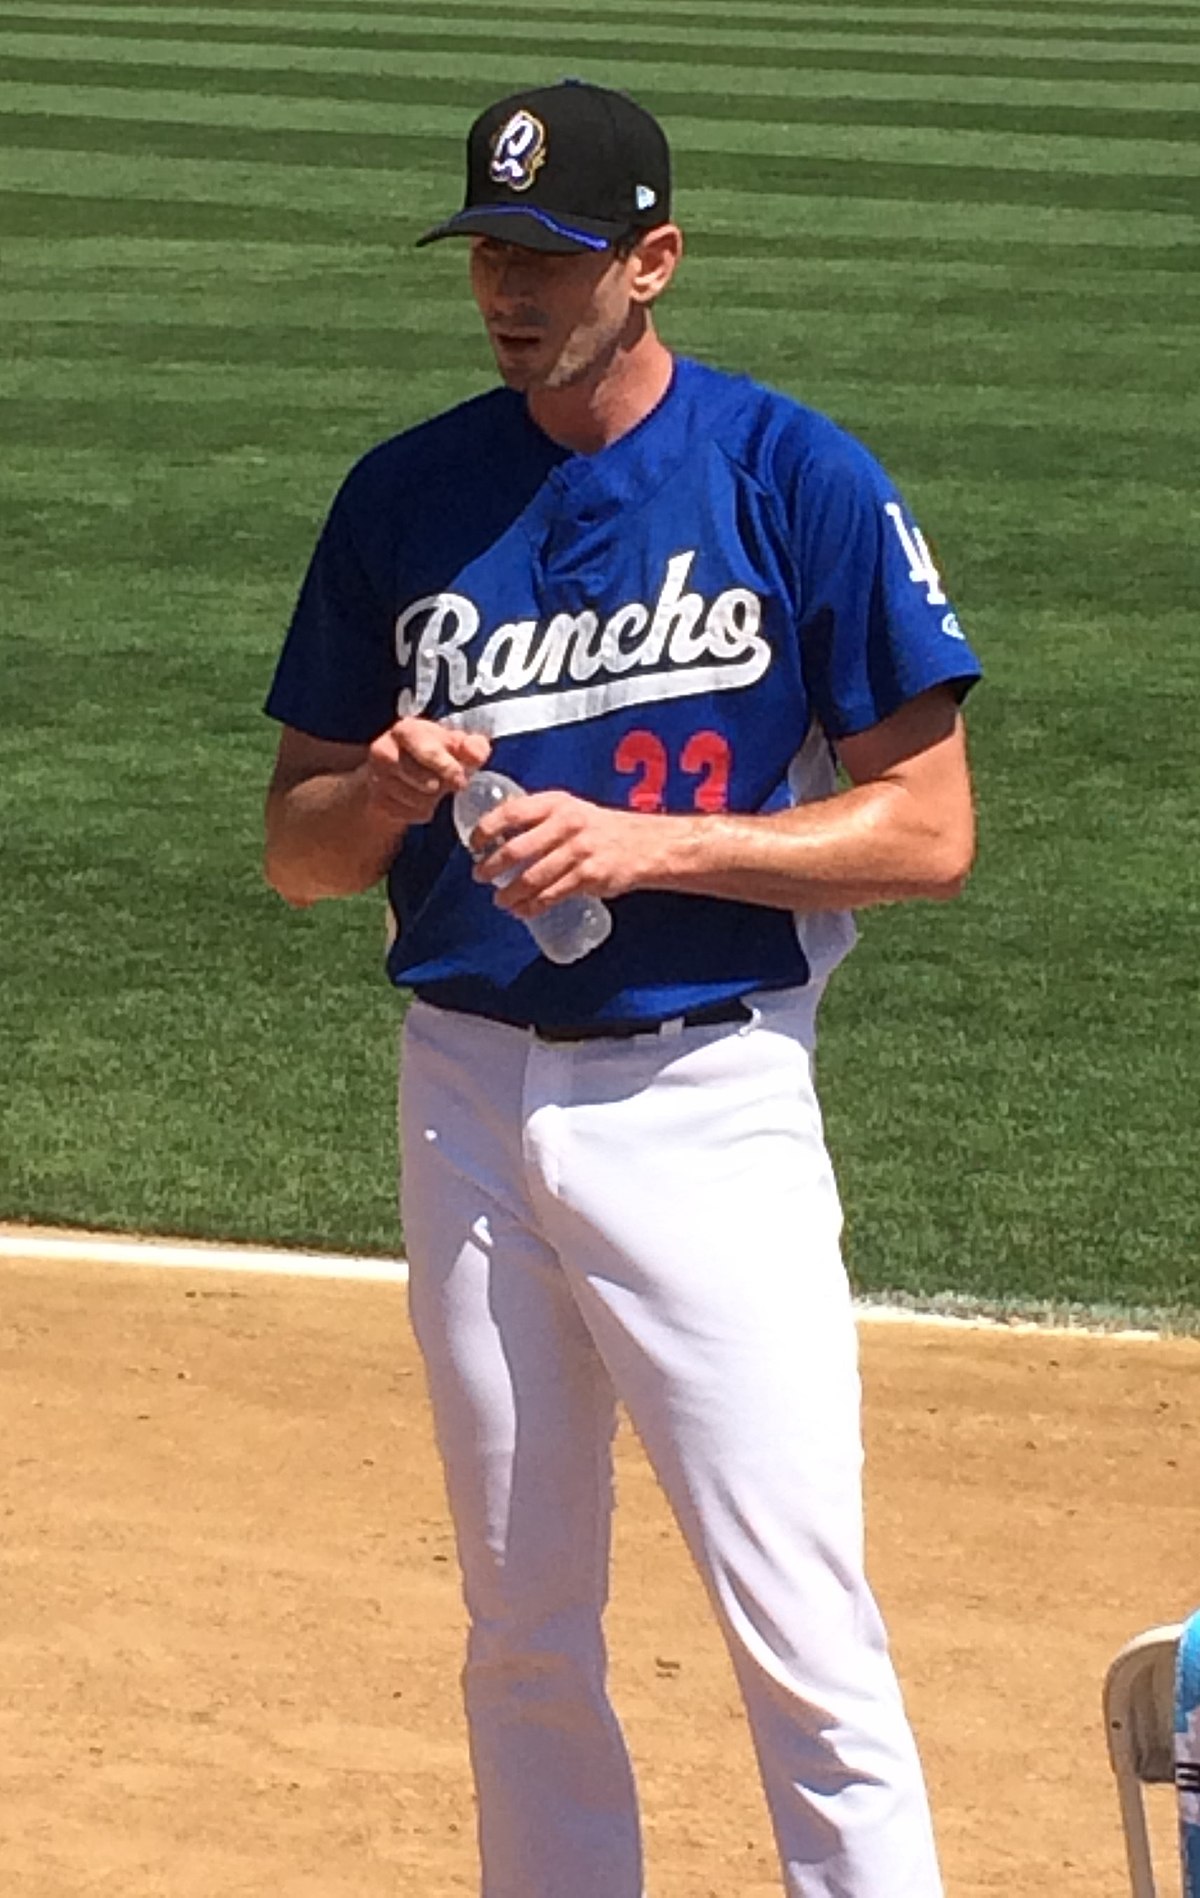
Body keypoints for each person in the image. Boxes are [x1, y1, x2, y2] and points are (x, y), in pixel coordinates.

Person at [263, 78, 980, 1898]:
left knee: (799, 1628)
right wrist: (389, 790)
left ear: (652, 263)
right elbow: (299, 850)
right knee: (520, 1627)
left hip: (707, 1101)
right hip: (468, 1095)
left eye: (553, 257)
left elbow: (928, 829)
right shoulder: (403, 495)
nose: (511, 289)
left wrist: (656, 848)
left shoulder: (791, 474)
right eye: (491, 251)